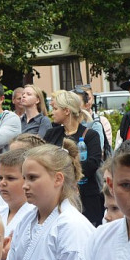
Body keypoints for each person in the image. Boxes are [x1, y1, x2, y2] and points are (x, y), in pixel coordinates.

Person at [44, 90, 103, 225]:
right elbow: (43, 160)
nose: (52, 112)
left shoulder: (90, 134)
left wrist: (62, 171)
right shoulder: (52, 134)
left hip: (86, 199)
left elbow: (93, 163)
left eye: (55, 109)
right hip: (56, 197)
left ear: (66, 111)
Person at [0, 148, 34, 240]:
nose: (2, 183)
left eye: (10, 178)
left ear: (27, 179)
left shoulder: (35, 216)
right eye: (0, 178)